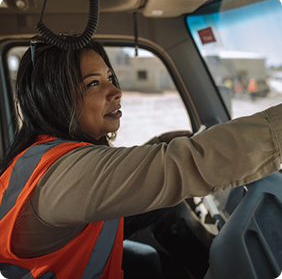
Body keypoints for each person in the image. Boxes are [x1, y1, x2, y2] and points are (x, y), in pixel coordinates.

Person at [0, 34, 282, 279]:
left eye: (109, 77)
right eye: (93, 84)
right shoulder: (62, 176)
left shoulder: (45, 155)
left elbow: (110, 177)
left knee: (147, 262)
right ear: (53, 98)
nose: (116, 91)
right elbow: (185, 164)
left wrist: (158, 143)